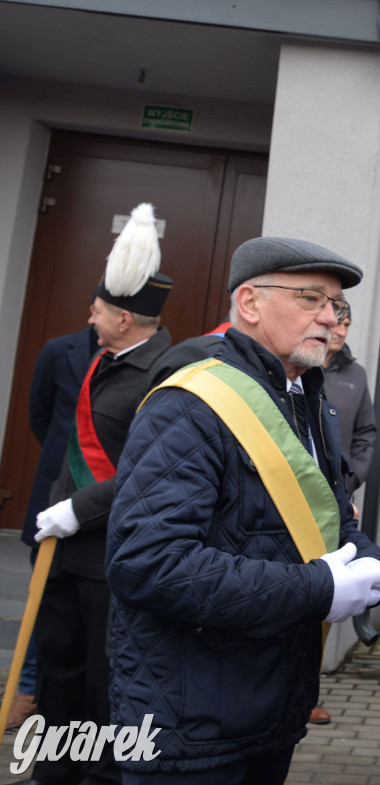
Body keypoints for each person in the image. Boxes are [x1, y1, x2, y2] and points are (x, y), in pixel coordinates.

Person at [106, 236, 380, 785]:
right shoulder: (190, 403)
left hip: (269, 709)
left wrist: (367, 556)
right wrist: (320, 589)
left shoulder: (309, 397)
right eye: (311, 298)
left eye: (337, 306)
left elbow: (328, 515)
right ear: (249, 303)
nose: (331, 318)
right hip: (189, 720)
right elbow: (148, 563)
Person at [27, 203, 174, 785]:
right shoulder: (102, 359)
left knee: (103, 681)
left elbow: (150, 470)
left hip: (113, 558)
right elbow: (57, 434)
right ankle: (54, 773)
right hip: (66, 553)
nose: (89, 317)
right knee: (59, 675)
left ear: (124, 318)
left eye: (98, 310)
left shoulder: (163, 373)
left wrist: (77, 509)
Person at [4, 325, 99, 734]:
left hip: (98, 504)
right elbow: (39, 415)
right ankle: (26, 691)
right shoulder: (58, 349)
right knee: (40, 597)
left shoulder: (140, 359)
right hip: (53, 495)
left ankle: (63, 702)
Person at [322, 309, 376, 495]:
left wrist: (351, 480)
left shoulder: (357, 374)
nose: (342, 332)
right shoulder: (296, 367)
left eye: (346, 325)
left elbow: (366, 433)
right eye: (337, 323)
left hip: (339, 493)